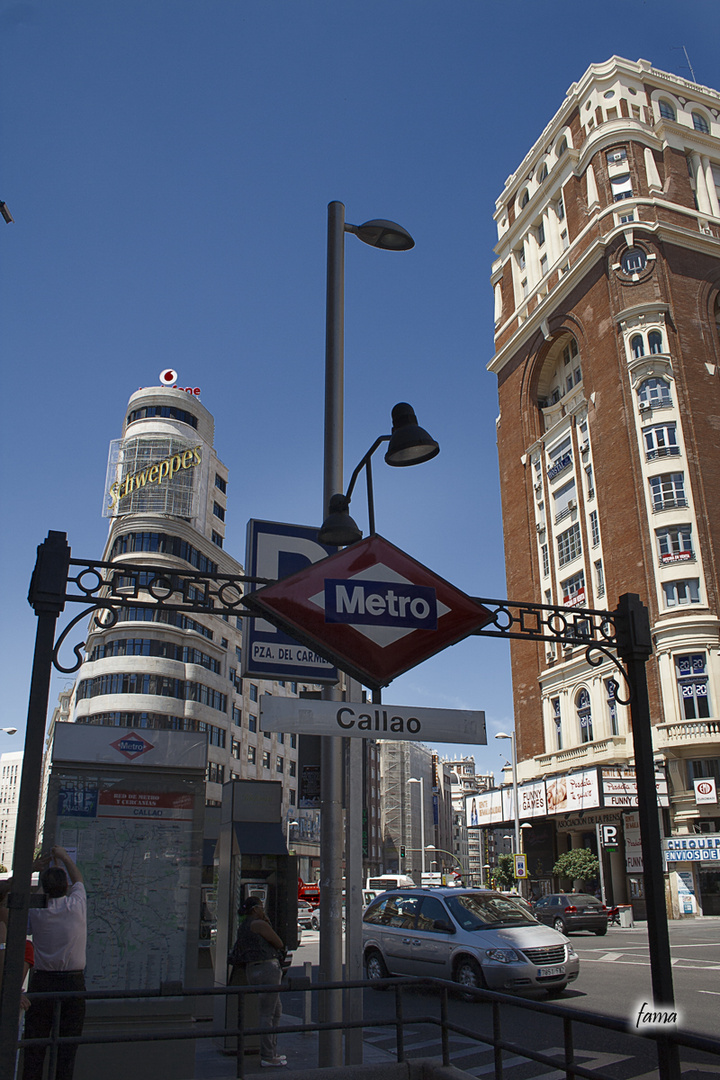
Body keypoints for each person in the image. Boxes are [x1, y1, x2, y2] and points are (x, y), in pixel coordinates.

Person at [22, 846, 87, 1080]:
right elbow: (78, 879)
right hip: (72, 983)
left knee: (35, 1044)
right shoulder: (77, 906)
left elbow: (40, 895)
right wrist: (64, 857)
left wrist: (38, 870)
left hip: (43, 981)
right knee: (67, 1047)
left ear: (45, 891)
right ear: (66, 888)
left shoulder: (38, 912)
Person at [229, 896, 286, 1067]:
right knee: (268, 1013)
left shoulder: (243, 927)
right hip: (267, 967)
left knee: (275, 1010)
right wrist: (266, 922)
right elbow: (278, 942)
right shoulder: (259, 924)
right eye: (260, 907)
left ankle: (272, 1051)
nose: (263, 909)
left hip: (251, 969)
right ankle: (268, 1055)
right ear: (255, 909)